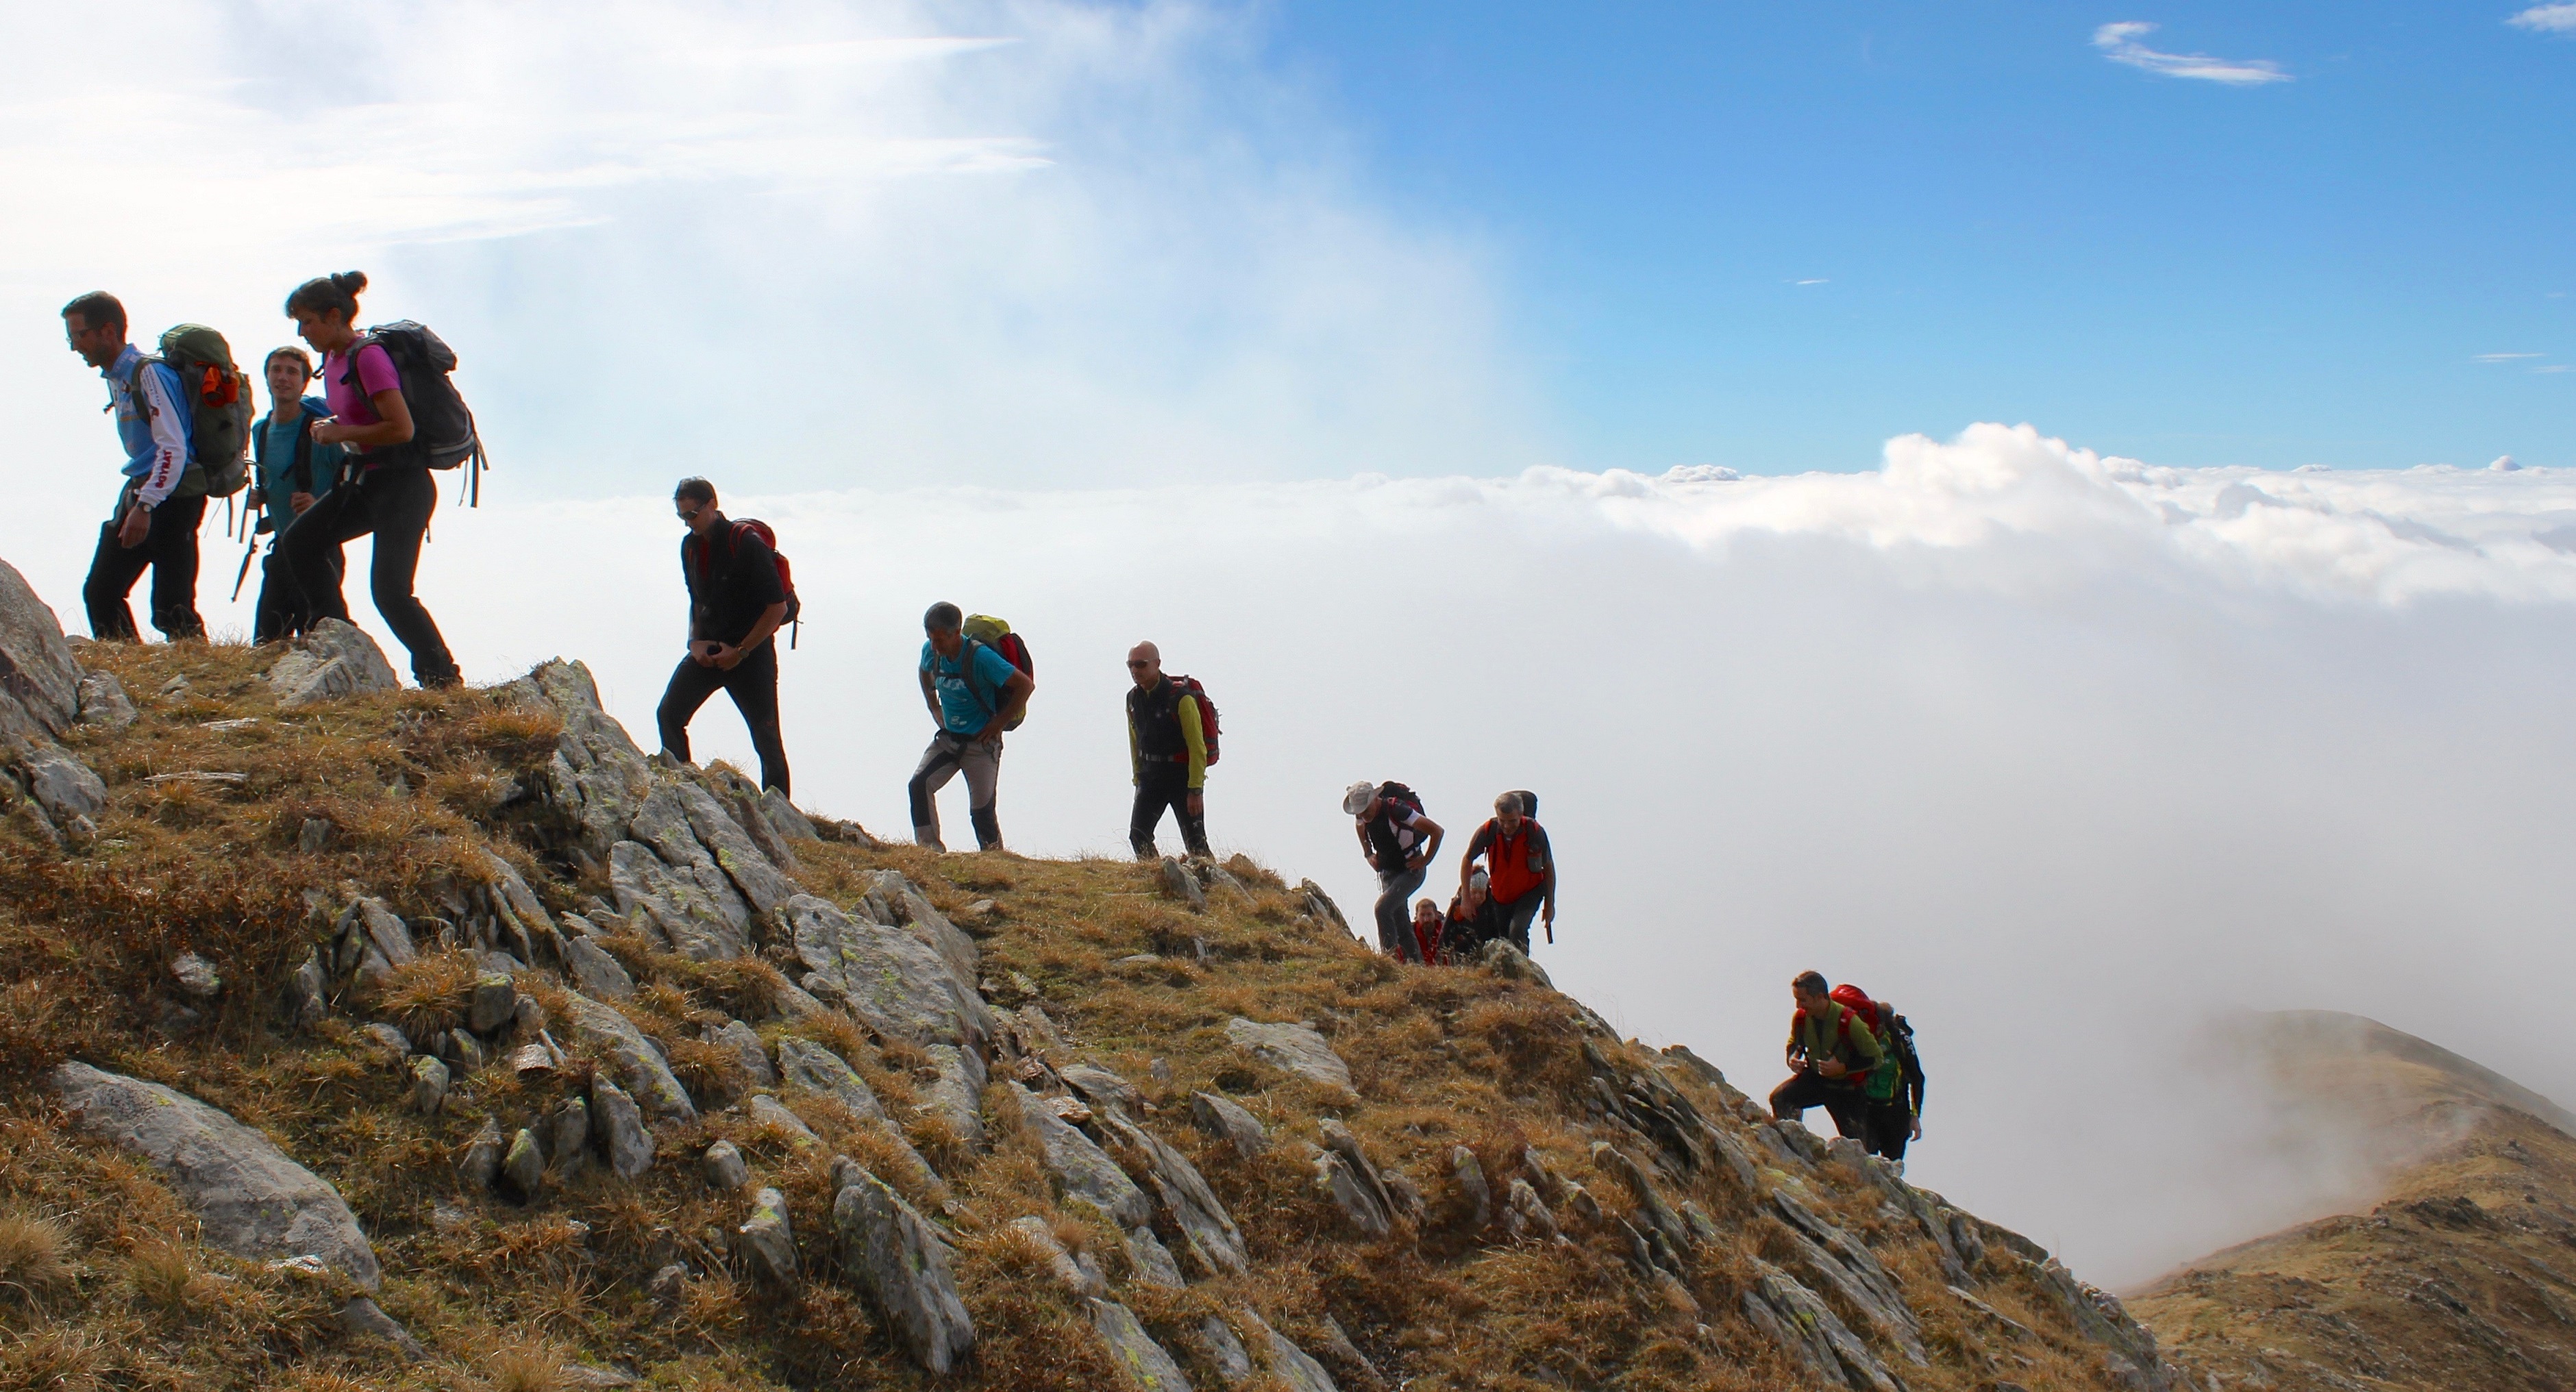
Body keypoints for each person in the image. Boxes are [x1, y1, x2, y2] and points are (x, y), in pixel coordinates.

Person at [276, 271, 462, 688]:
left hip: (403, 486)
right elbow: (360, 415)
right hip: (367, 482)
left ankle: (443, 679)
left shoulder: (368, 357)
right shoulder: (333, 360)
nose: (302, 332)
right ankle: (338, 633)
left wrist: (340, 433)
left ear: (334, 316)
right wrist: (334, 424)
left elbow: (402, 429)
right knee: (300, 541)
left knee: (391, 593)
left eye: (307, 321)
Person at [63, 290, 207, 641]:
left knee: (172, 609)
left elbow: (173, 447)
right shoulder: (118, 377)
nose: (74, 346)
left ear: (108, 331)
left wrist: (145, 505)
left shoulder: (149, 374)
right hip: (142, 489)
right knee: (101, 592)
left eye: (79, 335)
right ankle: (126, 678)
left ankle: (203, 681)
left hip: (173, 496)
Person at [656, 478, 791, 793]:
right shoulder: (690, 547)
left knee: (767, 739)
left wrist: (741, 652)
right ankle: (684, 791)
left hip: (752, 655)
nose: (689, 523)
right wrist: (694, 642)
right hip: (711, 651)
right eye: (682, 517)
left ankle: (781, 821)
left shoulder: (745, 543)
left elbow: (778, 608)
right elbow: (697, 600)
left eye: (693, 514)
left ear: (712, 505)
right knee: (669, 714)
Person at [912, 601, 1033, 852]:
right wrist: (934, 707)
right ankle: (928, 852)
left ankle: (995, 861)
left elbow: (1024, 686)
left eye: (939, 640)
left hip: (981, 744)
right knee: (918, 785)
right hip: (948, 739)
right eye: (930, 639)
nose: (934, 646)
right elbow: (924, 673)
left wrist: (998, 724)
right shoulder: (930, 652)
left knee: (981, 812)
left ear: (956, 632)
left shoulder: (982, 657)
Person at [245, 346, 345, 641]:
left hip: (320, 549)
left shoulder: (323, 430)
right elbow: (273, 477)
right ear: (266, 377)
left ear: (304, 382)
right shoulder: (260, 430)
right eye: (276, 370)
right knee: (266, 642)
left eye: (292, 371)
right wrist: (260, 496)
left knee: (320, 639)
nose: (282, 378)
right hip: (282, 549)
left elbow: (350, 480)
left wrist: (319, 503)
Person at [1768, 971, 1890, 1143]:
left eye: (1803, 1000)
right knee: (1780, 1099)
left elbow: (1875, 1058)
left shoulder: (1850, 1021)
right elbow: (1794, 1042)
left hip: (1846, 1089)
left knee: (1855, 1145)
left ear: (1820, 997)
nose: (1798, 1005)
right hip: (1816, 1080)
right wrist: (1792, 1058)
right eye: (1797, 999)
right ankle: (1793, 1148)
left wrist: (1843, 1068)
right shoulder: (1802, 1018)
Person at [1124, 641, 1209, 860]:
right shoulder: (1132, 699)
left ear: (1157, 664)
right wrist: (1138, 778)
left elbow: (1197, 747)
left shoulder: (1181, 697)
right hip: (1151, 777)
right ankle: (1160, 878)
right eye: (1130, 665)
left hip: (1182, 779)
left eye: (1141, 664)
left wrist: (1196, 789)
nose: (1135, 671)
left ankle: (1214, 887)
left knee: (1196, 843)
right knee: (1138, 835)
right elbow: (1135, 741)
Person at [1344, 781, 1442, 962]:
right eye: (1359, 812)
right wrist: (1368, 853)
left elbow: (1437, 831)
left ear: (1375, 799)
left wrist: (1425, 860)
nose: (1363, 815)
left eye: (1366, 810)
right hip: (1388, 873)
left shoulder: (1397, 810)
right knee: (1401, 922)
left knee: (1382, 909)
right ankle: (1417, 967)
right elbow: (1359, 826)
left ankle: (1388, 963)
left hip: (1411, 870)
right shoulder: (1362, 815)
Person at [1835, 986, 1927, 1164]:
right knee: (1863, 1162)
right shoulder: (1859, 1033)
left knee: (1892, 1166)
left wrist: (1915, 1117)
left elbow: (1917, 1078)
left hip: (1896, 1111)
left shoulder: (1900, 1039)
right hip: (1867, 1109)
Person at [1457, 791, 1556, 952]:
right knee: (1504, 939)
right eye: (1502, 821)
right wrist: (1466, 898)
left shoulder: (1535, 832)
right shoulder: (1487, 831)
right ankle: (1509, 974)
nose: (1507, 826)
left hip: (1530, 891)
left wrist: (1550, 904)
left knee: (1517, 930)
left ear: (1521, 814)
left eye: (1513, 821)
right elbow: (1467, 860)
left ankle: (1521, 974)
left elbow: (1549, 868)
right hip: (1500, 896)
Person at [1444, 871, 1503, 960]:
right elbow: (1446, 930)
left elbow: (1497, 930)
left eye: (1481, 893)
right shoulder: (1458, 904)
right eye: (1474, 892)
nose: (1478, 896)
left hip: (1485, 948)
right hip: (1460, 951)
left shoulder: (1492, 905)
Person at [1410, 899, 1450, 965]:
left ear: (1436, 915)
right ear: (1416, 916)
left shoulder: (1445, 931)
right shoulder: (1409, 933)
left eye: (1429, 915)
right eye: (1422, 915)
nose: (1426, 920)